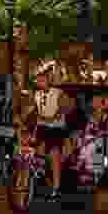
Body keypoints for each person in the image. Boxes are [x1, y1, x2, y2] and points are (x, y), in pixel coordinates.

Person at [33, 70, 72, 201]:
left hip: (56, 128)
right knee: (36, 151)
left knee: (54, 155)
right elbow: (32, 109)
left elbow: (68, 106)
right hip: (42, 127)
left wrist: (58, 114)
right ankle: (39, 177)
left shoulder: (58, 93)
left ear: (48, 80)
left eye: (42, 79)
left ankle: (56, 188)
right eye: (38, 80)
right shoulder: (36, 94)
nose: (40, 82)